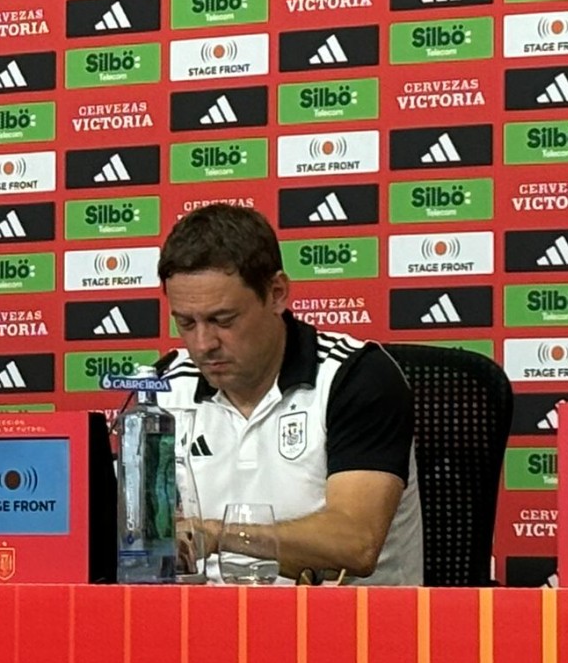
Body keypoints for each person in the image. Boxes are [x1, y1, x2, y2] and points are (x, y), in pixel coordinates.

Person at [154, 203, 424, 585]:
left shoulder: (355, 377)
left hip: (350, 619)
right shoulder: (164, 389)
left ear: (277, 293)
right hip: (202, 616)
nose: (203, 344)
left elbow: (356, 543)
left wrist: (214, 535)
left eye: (223, 320)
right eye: (186, 322)